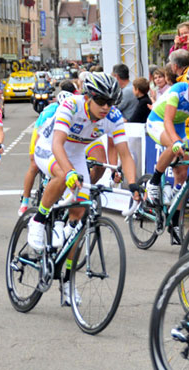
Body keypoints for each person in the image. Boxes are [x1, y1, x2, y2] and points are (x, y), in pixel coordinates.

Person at [27, 73, 139, 303]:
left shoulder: (113, 117)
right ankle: (38, 220)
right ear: (88, 97)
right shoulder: (71, 105)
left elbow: (125, 154)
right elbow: (57, 144)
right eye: (101, 101)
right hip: (49, 148)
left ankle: (66, 280)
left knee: (78, 219)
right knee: (61, 174)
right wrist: (68, 172)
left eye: (111, 102)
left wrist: (134, 184)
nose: (106, 107)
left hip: (76, 153)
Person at [146, 81, 189, 243]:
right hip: (158, 121)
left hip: (178, 126)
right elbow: (168, 120)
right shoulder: (178, 90)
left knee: (183, 173)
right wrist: (177, 141)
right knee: (173, 145)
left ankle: (174, 222)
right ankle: (154, 181)